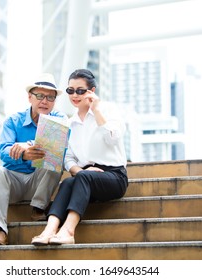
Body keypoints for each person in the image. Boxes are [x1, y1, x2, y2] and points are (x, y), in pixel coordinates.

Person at [31, 69, 128, 246]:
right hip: (86, 176)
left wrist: (96, 111)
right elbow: (68, 157)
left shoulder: (109, 110)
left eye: (80, 90)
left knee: (82, 177)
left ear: (92, 90)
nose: (74, 95)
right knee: (68, 182)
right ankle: (49, 229)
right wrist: (79, 171)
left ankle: (68, 231)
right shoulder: (70, 123)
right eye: (70, 90)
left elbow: (113, 139)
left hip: (114, 176)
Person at [0, 73, 66, 246]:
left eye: (50, 97)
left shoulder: (60, 120)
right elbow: (4, 151)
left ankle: (38, 208)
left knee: (54, 160)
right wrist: (23, 154)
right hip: (13, 183)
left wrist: (27, 145)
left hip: (40, 185)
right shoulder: (13, 121)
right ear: (30, 97)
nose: (45, 101)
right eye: (40, 96)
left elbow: (59, 150)